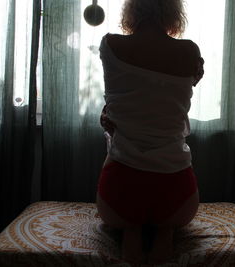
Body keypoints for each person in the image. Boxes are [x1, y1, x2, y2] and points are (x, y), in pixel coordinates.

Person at [96, 0, 204, 264]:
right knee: (165, 222)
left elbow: (123, 95)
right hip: (177, 195)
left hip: (119, 191)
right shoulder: (190, 52)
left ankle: (132, 230)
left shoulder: (110, 45)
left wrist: (110, 114)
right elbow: (170, 98)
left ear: (132, 9)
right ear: (173, 11)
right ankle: (164, 231)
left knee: (130, 221)